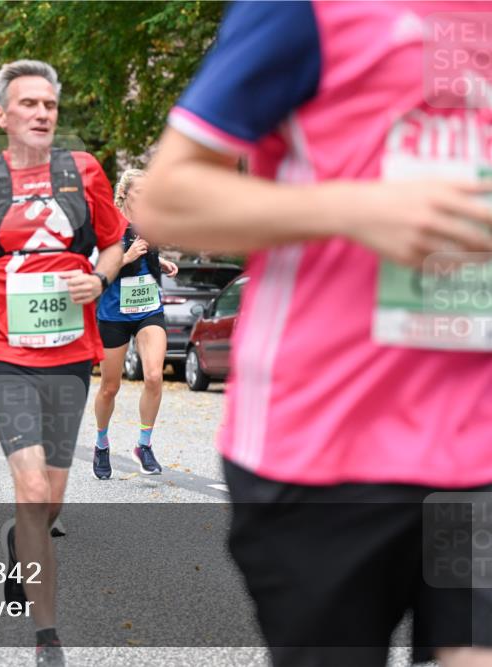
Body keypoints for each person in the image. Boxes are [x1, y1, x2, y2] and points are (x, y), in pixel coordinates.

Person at [139, 3, 492, 666]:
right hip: (325, 448)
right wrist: (354, 206)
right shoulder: (307, 9)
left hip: (477, 453)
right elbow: (166, 198)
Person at [0, 60, 124, 666]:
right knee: (32, 483)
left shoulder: (84, 172)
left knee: (53, 501)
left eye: (49, 105)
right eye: (29, 105)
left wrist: (98, 277)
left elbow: (116, 239)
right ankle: (48, 638)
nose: (42, 113)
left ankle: (20, 542)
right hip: (3, 354)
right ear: (2, 115)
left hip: (70, 352)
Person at [92, 169, 178, 480]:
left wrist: (161, 262)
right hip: (113, 313)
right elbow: (95, 271)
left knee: (154, 375)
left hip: (148, 309)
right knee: (109, 387)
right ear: (126, 194)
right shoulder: (107, 225)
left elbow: (148, 255)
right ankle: (101, 444)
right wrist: (125, 257)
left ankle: (144, 445)